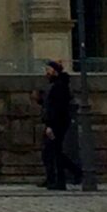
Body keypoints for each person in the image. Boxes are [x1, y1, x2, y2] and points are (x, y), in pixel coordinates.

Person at [39, 59, 79, 190]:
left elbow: (57, 108)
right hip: (56, 122)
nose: (46, 73)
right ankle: (60, 176)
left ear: (54, 71)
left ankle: (63, 178)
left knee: (53, 151)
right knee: (52, 151)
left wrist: (50, 125)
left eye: (48, 70)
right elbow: (50, 104)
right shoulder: (56, 85)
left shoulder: (59, 86)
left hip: (57, 123)